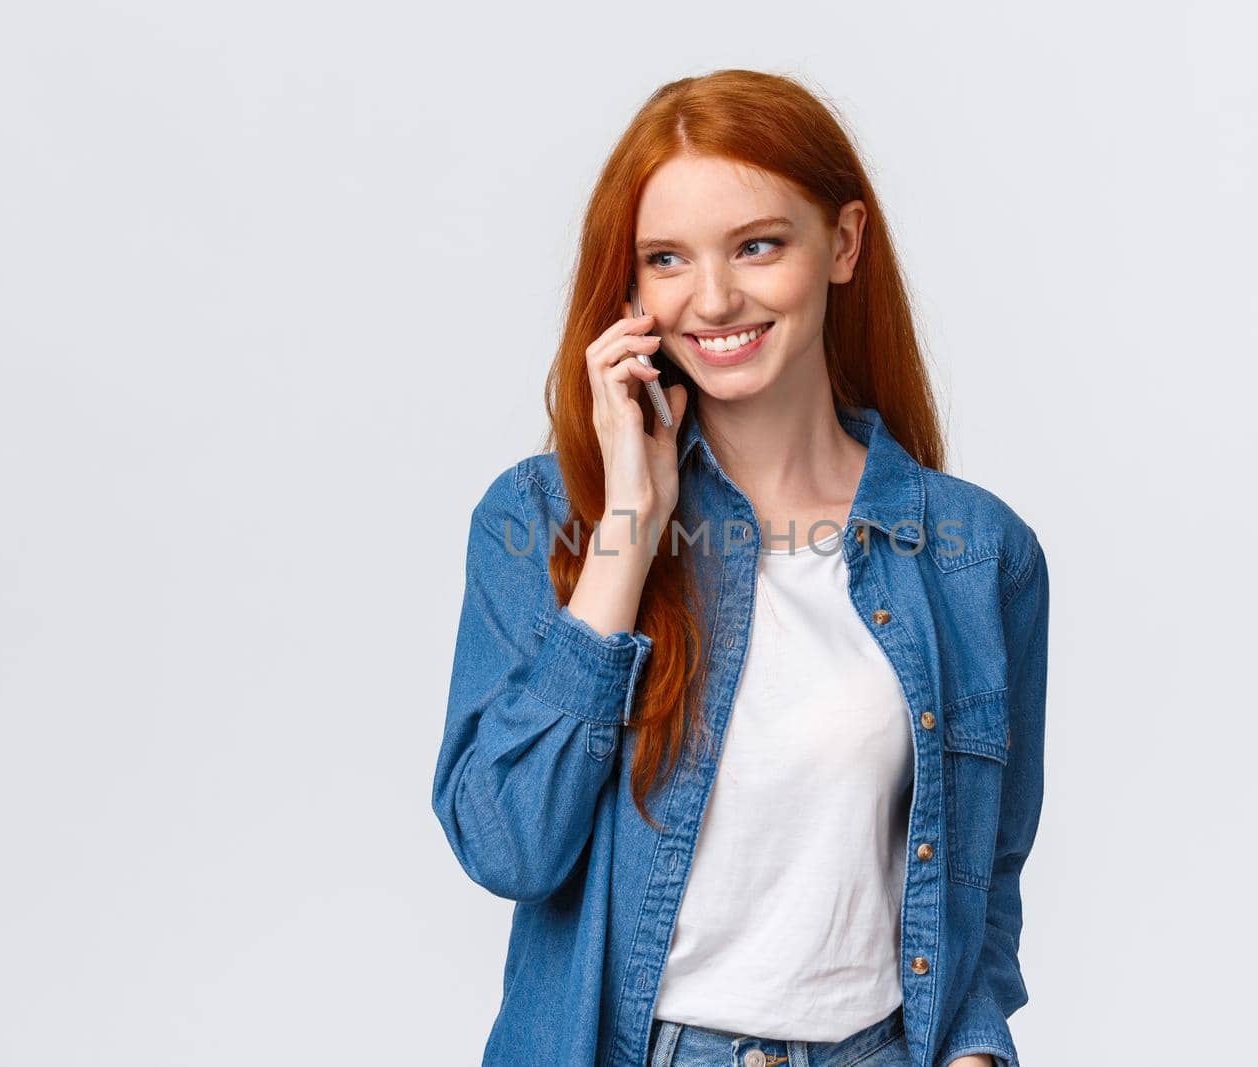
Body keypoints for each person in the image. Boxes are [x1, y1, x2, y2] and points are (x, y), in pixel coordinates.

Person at [431, 68, 1050, 1067]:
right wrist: (629, 527)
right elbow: (507, 846)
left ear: (842, 244)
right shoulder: (544, 518)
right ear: (629, 291)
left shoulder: (976, 555)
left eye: (757, 245)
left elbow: (984, 879)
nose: (712, 297)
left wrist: (974, 1050)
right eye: (665, 258)